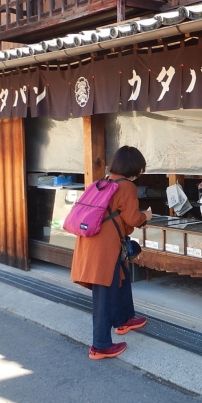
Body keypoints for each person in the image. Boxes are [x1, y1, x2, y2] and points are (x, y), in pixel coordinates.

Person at [70, 146, 153, 360]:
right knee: (104, 294)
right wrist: (147, 216)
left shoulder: (103, 182)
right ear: (134, 167)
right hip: (105, 248)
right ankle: (100, 346)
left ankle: (125, 319)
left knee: (121, 280)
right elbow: (132, 219)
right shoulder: (126, 186)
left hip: (92, 244)